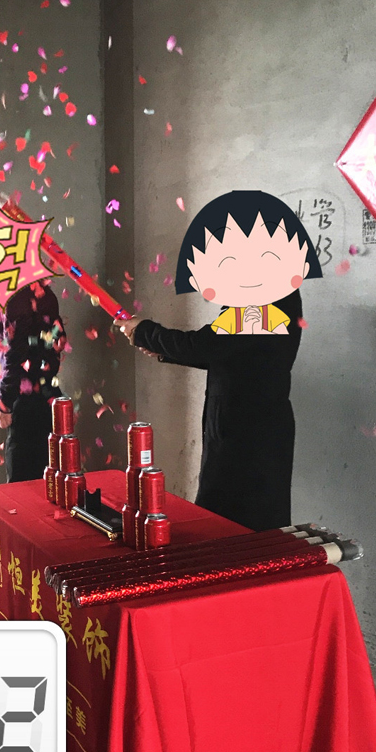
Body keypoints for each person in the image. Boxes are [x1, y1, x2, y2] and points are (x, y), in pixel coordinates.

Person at [117, 191, 322, 531]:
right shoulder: (262, 293)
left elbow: (206, 345)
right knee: (225, 521)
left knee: (238, 527)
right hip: (238, 426)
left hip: (251, 435)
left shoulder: (267, 299)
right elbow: (229, 353)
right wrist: (164, 351)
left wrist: (145, 332)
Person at [0, 279, 66, 482]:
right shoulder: (48, 296)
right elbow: (58, 339)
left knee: (21, 483)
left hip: (23, 403)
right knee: (48, 477)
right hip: (48, 397)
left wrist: (4, 403)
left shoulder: (12, 300)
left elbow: (14, 355)